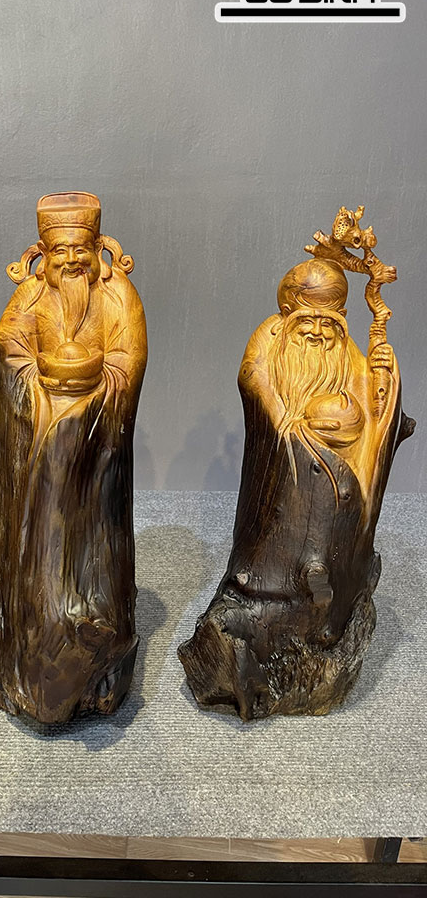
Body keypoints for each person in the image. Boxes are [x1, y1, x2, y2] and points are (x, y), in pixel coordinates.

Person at [179, 252, 413, 719]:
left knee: (335, 511)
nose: (319, 333)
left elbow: (373, 402)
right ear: (288, 313)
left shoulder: (345, 350)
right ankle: (264, 590)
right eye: (309, 321)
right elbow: (253, 378)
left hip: (333, 456)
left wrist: (383, 374)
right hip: (283, 459)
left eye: (330, 323)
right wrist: (287, 423)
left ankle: (326, 590)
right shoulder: (270, 337)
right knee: (278, 523)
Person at [0, 193, 147, 723]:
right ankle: (17, 627)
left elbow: (128, 361)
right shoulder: (31, 294)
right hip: (37, 428)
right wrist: (40, 384)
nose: (73, 260)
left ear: (98, 249)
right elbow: (10, 349)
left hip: (95, 439)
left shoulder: (119, 295)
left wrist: (95, 387)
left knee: (89, 541)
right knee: (31, 537)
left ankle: (93, 637)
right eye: (61, 251)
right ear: (43, 254)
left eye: (82, 249)